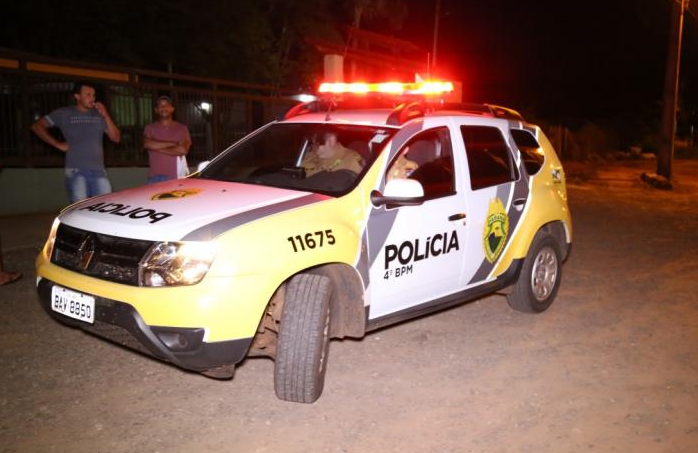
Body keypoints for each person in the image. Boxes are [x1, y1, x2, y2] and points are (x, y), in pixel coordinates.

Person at [31, 81, 121, 203]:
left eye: (93, 95)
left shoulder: (99, 115)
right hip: (76, 171)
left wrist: (106, 115)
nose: (92, 98)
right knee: (80, 209)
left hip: (99, 171)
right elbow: (37, 126)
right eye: (88, 94)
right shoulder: (64, 113)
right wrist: (57, 144)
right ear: (77, 96)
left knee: (106, 207)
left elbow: (116, 138)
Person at [143, 95, 192, 183]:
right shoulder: (150, 128)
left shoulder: (182, 128)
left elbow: (183, 150)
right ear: (156, 110)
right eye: (160, 105)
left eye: (167, 105)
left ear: (172, 109)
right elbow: (147, 144)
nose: (163, 107)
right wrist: (174, 143)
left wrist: (156, 148)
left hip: (175, 177)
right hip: (154, 178)